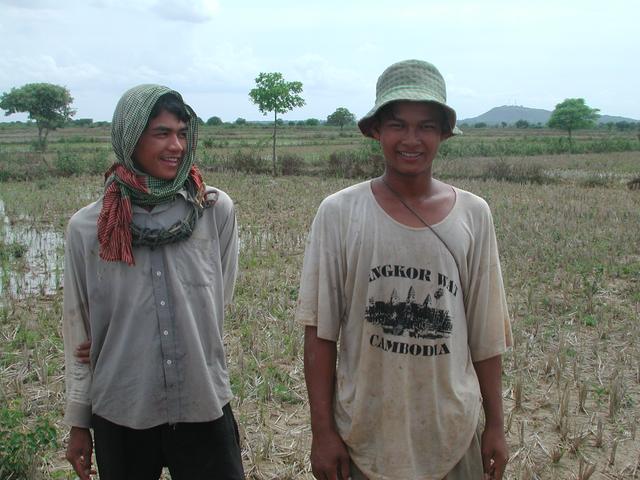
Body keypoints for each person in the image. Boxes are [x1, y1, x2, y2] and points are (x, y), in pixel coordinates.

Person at [296, 60, 512, 480]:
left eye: (426, 126)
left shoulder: (474, 215)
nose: (411, 139)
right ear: (377, 130)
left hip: (452, 434)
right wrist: (322, 433)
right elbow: (319, 334)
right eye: (398, 125)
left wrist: (497, 426)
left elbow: (486, 336)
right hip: (364, 436)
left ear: (444, 133)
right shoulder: (339, 213)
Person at [62, 84, 244, 480]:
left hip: (203, 399)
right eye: (161, 133)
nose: (176, 145)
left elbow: (217, 303)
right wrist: (79, 420)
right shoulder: (89, 228)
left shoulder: (213, 211)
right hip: (122, 405)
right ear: (130, 137)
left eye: (182, 132)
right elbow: (79, 330)